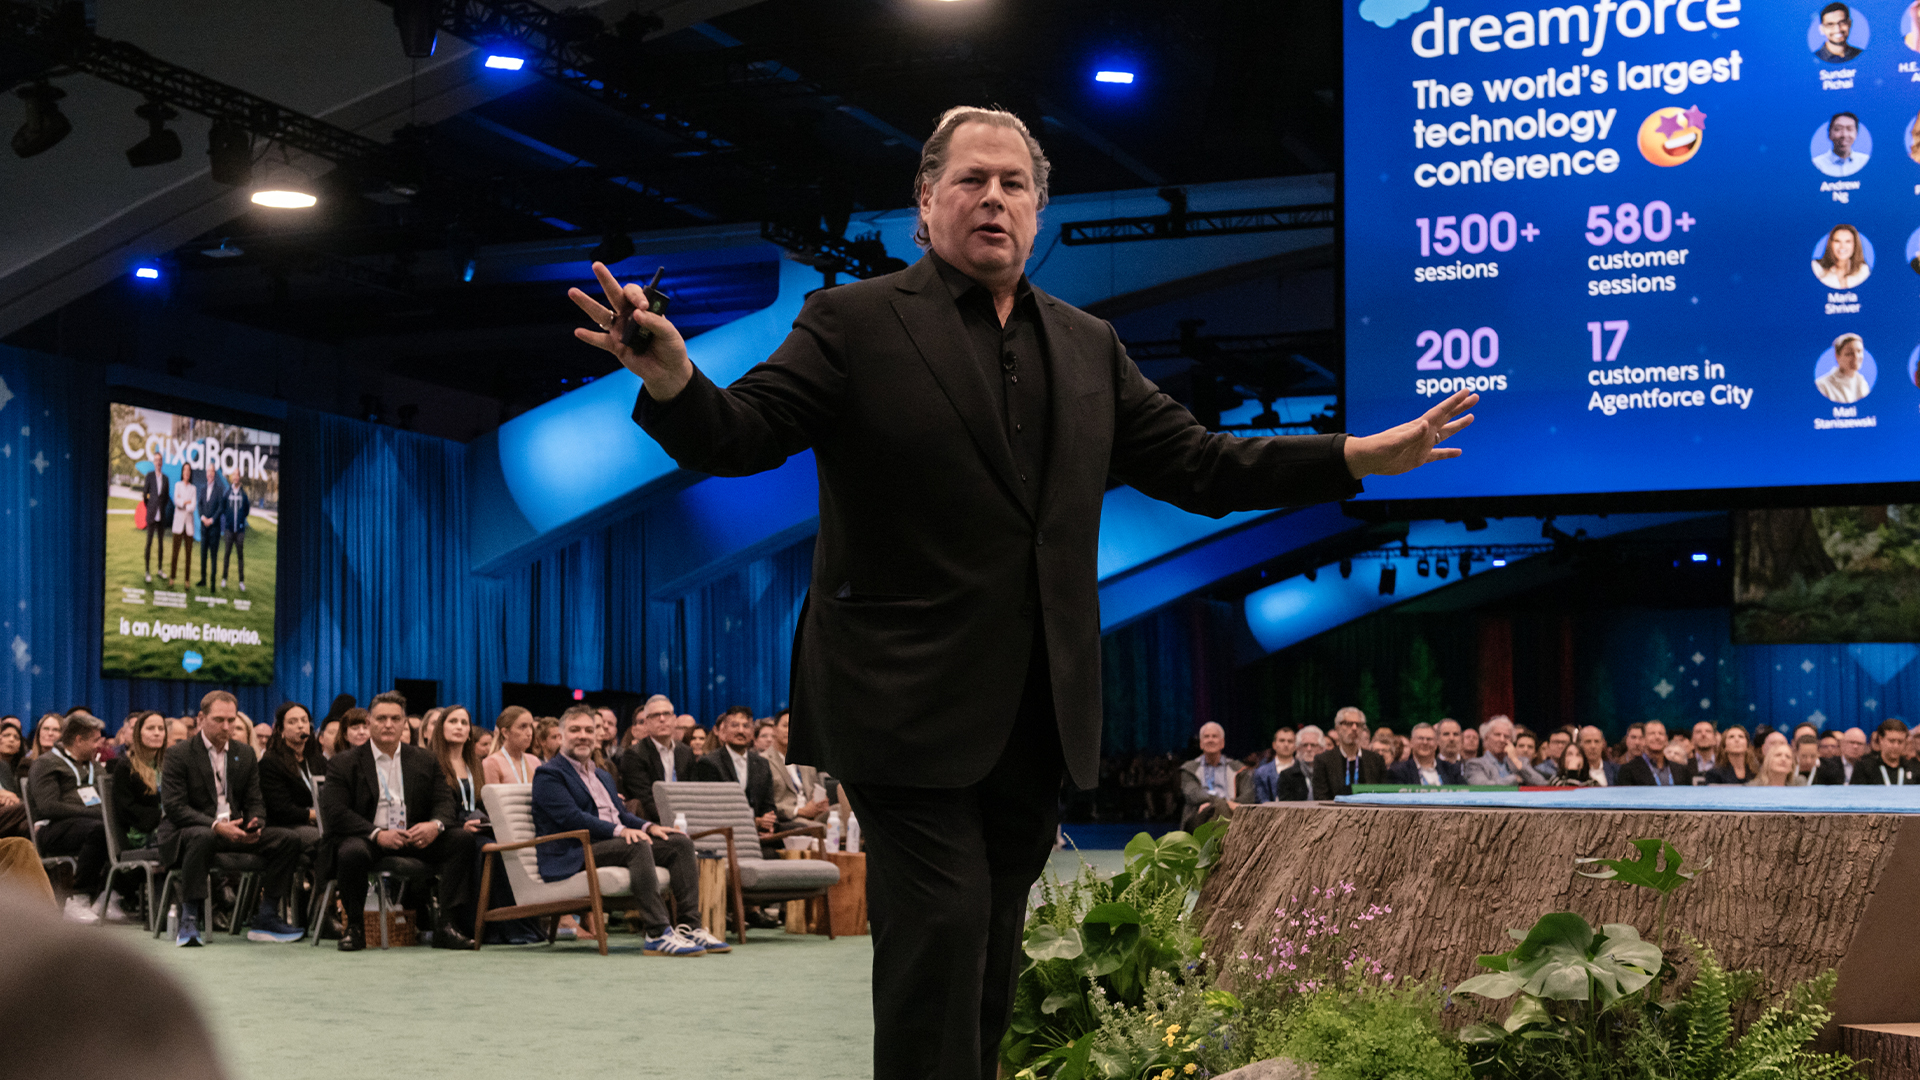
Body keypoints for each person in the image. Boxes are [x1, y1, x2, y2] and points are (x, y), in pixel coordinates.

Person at [581, 103, 1474, 1080]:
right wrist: (672, 377)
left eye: (1014, 183)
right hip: (898, 701)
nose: (993, 198)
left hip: (1037, 708)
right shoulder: (854, 321)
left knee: (993, 957)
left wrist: (1351, 456)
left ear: (1039, 211)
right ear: (926, 202)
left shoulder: (1089, 345)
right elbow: (743, 433)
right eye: (972, 180)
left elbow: (1204, 464)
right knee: (943, 935)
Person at [530, 706, 721, 956]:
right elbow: (571, 818)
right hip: (574, 851)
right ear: (561, 736)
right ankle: (657, 933)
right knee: (634, 844)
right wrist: (620, 831)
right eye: (575, 730)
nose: (583, 735)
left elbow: (620, 814)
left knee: (678, 842)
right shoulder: (549, 774)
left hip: (607, 846)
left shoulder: (602, 775)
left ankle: (689, 927)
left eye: (589, 730)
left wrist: (649, 826)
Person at [319, 690, 477, 952]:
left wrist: (435, 826)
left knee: (461, 840)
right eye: (381, 718)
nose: (388, 724)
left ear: (405, 723)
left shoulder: (425, 759)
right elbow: (336, 812)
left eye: (395, 718)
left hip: (414, 836)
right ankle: (355, 928)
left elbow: (445, 802)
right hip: (369, 838)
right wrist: (377, 833)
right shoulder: (344, 763)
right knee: (350, 852)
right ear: (369, 722)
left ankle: (447, 926)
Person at [156, 690, 306, 946]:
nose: (226, 726)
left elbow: (255, 800)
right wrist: (216, 826)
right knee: (202, 836)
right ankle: (190, 918)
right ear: (201, 719)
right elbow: (175, 807)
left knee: (288, 839)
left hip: (235, 829)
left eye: (231, 720)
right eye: (219, 720)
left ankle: (267, 916)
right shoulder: (179, 754)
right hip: (193, 829)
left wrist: (255, 823)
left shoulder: (244, 753)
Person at [28, 711, 111, 921]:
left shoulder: (95, 767)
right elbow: (49, 807)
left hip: (89, 825)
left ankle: (108, 896)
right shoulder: (46, 763)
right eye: (94, 740)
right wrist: (93, 812)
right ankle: (78, 897)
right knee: (99, 829)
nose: (98, 746)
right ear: (78, 740)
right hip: (53, 830)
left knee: (123, 831)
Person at [692, 707, 779, 837]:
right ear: (723, 731)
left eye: (746, 726)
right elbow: (714, 808)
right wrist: (754, 822)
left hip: (758, 833)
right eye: (734, 725)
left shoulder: (762, 763)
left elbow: (769, 804)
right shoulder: (710, 763)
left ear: (752, 732)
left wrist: (769, 823)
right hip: (724, 832)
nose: (740, 731)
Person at [618, 696, 695, 822]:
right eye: (655, 715)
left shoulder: (686, 752)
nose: (662, 719)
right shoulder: (634, 755)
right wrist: (673, 821)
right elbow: (646, 800)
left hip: (685, 818)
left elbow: (692, 792)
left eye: (666, 714)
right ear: (646, 723)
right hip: (652, 822)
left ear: (674, 720)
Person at [257, 702, 324, 839]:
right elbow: (281, 809)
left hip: (322, 819)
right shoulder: (270, 763)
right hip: (288, 825)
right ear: (281, 730)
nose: (300, 725)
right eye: (292, 722)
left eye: (304, 721)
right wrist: (315, 814)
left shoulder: (318, 760)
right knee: (320, 837)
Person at [109, 711, 167, 852]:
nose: (157, 733)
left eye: (161, 729)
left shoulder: (169, 765)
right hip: (141, 834)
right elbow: (126, 810)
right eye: (150, 728)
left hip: (169, 827)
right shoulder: (125, 767)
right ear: (138, 734)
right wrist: (161, 817)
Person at [765, 709, 833, 827]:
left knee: (842, 813)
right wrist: (800, 811)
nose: (789, 731)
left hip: (813, 813)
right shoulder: (764, 761)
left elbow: (814, 789)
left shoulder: (805, 759)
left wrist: (821, 802)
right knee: (820, 828)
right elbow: (768, 803)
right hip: (790, 817)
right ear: (774, 730)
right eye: (785, 726)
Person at [430, 705, 487, 831]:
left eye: (464, 723)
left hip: (476, 827)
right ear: (441, 728)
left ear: (469, 734)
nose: (459, 726)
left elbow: (481, 803)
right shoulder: (431, 763)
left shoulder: (476, 764)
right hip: (448, 830)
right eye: (453, 721)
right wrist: (462, 827)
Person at [1312, 707, 1389, 797]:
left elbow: (1383, 794)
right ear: (1337, 728)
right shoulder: (1323, 760)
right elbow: (1320, 797)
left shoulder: (1376, 760)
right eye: (1348, 724)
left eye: (1358, 724)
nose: (1354, 728)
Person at [1179, 722, 1238, 828]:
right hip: (1199, 816)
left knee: (1220, 812)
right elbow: (1193, 795)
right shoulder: (1189, 769)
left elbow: (1248, 798)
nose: (1210, 740)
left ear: (1222, 742)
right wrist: (1223, 803)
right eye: (1206, 737)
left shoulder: (1238, 769)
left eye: (1214, 736)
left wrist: (1222, 805)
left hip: (1233, 815)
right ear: (1201, 743)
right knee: (1215, 810)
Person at [1463, 715, 1546, 785]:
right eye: (1497, 735)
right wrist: (1513, 779)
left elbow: (1542, 784)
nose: (1502, 740)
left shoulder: (1521, 763)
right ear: (1486, 738)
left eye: (1506, 736)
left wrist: (1515, 760)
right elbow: (1483, 787)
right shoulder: (1474, 764)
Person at [1617, 719, 1694, 786]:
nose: (1657, 737)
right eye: (1652, 733)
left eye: (1661, 734)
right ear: (1643, 740)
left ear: (1666, 740)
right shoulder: (1628, 770)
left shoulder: (1681, 770)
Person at [1387, 722, 1463, 786]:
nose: (1425, 742)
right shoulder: (1398, 771)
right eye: (1420, 738)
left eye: (1429, 739)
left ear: (1436, 743)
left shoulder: (1451, 769)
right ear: (1411, 743)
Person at [484, 706, 541, 786]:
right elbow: (493, 797)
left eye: (530, 726)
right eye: (523, 727)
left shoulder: (534, 761)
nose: (529, 733)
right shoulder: (492, 763)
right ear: (506, 733)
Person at [1850, 719, 1919, 784]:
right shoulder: (1865, 767)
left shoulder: (1913, 767)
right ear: (1881, 740)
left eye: (1900, 742)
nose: (1896, 746)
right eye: (1891, 741)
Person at [194, 463, 229, 590]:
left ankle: (213, 583)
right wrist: (202, 517)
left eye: (212, 471)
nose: (210, 473)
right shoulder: (203, 489)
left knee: (213, 557)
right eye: (208, 471)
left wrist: (212, 519)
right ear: (206, 473)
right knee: (203, 556)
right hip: (204, 529)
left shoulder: (220, 490)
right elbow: (200, 505)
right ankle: (203, 580)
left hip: (214, 529)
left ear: (214, 473)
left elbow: (221, 507)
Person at [217, 465, 249, 590]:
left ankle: (241, 581)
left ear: (239, 477)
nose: (236, 477)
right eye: (234, 475)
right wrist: (229, 519)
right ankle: (224, 578)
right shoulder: (227, 492)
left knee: (240, 556)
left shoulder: (243, 494)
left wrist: (241, 520)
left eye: (238, 475)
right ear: (232, 478)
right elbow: (224, 507)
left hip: (240, 531)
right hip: (229, 529)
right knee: (227, 555)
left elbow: (246, 509)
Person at [1817, 333, 1872, 403]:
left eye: (1859, 351)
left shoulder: (1862, 382)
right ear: (1837, 357)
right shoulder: (1823, 386)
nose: (1856, 357)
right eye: (1849, 353)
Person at [1813, 224, 1871, 289]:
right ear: (1830, 244)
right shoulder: (1816, 267)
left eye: (1848, 241)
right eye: (1837, 241)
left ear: (1855, 245)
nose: (1842, 246)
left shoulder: (1863, 270)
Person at [140, 464, 171, 584]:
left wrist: (161, 508)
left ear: (161, 463)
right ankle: (147, 571)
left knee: (160, 545)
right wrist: (151, 507)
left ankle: (159, 569)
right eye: (156, 460)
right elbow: (145, 495)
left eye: (160, 461)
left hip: (161, 517)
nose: (158, 463)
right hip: (151, 516)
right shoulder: (150, 476)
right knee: (149, 543)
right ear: (154, 462)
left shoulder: (166, 479)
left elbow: (167, 497)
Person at [1250, 727, 1298, 804]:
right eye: (1282, 740)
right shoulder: (1261, 773)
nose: (1286, 744)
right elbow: (1261, 801)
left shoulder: (1303, 770)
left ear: (1296, 746)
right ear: (1274, 745)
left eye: (1290, 741)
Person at [1814, 112, 1868, 177]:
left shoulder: (1865, 162)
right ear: (1829, 134)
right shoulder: (1817, 164)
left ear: (1856, 134)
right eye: (1838, 129)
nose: (1844, 135)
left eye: (1849, 129)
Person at [169, 462, 197, 583]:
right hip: (178, 524)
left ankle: (187, 580)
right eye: (185, 470)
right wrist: (186, 502)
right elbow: (177, 501)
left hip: (189, 526)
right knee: (175, 553)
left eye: (188, 470)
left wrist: (184, 503)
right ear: (182, 472)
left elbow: (193, 506)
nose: (186, 472)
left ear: (190, 473)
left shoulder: (193, 488)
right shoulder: (178, 485)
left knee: (188, 555)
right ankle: (172, 577)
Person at [0, 722, 26, 839]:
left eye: (16, 737)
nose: (10, 740)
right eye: (5, 735)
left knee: (25, 826)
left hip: (8, 813)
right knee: (30, 808)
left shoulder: (3, 766)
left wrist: (11, 798)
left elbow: (13, 796)